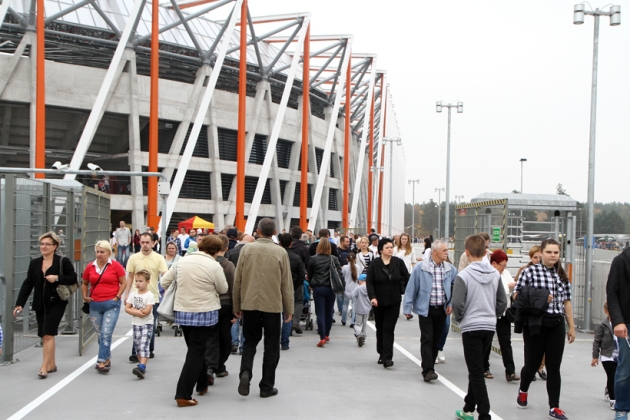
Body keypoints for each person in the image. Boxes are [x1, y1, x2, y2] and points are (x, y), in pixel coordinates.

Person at [161, 235, 228, 406]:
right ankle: (183, 393)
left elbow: (164, 281)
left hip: (183, 310)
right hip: (204, 311)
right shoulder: (214, 265)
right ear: (216, 250)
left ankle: (202, 383)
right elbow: (223, 288)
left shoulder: (182, 261)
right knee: (196, 352)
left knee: (194, 349)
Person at [513, 239, 575, 420]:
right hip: (535, 323)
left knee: (554, 366)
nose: (553, 256)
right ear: (542, 252)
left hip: (556, 322)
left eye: (556, 252)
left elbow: (567, 302)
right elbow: (516, 295)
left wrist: (571, 326)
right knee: (532, 364)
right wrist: (539, 296)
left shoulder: (562, 275)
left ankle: (554, 406)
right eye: (549, 252)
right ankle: (523, 390)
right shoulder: (530, 272)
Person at [233, 218, 293, 398]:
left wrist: (237, 305)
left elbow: (238, 280)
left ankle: (245, 372)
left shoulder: (246, 250)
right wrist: (288, 308)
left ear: (257, 232)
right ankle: (266, 386)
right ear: (274, 232)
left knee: (250, 341)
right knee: (272, 345)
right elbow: (286, 284)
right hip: (272, 305)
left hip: (250, 303)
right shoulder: (280, 252)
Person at [452, 235, 507, 420]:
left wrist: (461, 318)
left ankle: (484, 413)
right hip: (489, 325)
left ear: (466, 253)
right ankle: (468, 407)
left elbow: (457, 303)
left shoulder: (463, 275)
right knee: (476, 367)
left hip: (471, 326)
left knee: (476, 372)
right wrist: (493, 314)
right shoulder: (494, 274)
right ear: (485, 252)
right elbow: (502, 301)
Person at [14, 232, 78, 378]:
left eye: (47, 244)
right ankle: (52, 364)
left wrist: (57, 278)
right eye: (42, 244)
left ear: (55, 246)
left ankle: (43, 367)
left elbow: (73, 277)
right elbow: (28, 283)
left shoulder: (63, 261)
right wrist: (20, 304)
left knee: (48, 334)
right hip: (40, 303)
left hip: (57, 302)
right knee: (45, 335)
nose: (43, 246)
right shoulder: (35, 263)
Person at [403, 239, 457, 382]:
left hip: (442, 309)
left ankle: (430, 364)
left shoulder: (450, 269)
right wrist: (407, 307)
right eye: (444, 250)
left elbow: (454, 288)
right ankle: (428, 370)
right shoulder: (421, 268)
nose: (447, 253)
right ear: (435, 252)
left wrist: (450, 303)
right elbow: (411, 288)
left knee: (436, 340)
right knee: (427, 338)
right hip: (426, 309)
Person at [81, 240, 126, 373]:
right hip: (95, 304)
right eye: (97, 252)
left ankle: (101, 361)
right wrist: (85, 296)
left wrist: (117, 296)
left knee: (106, 333)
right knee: (100, 334)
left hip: (111, 304)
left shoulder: (116, 266)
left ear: (108, 253)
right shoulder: (90, 266)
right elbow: (84, 283)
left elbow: (123, 282)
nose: (99, 254)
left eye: (102, 252)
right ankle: (107, 358)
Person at [367, 238, 410, 368]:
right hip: (378, 302)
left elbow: (407, 278)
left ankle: (387, 357)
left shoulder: (398, 262)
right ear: (381, 250)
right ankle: (381, 351)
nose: (390, 249)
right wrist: (372, 297)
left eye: (391, 247)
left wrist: (408, 294)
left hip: (394, 301)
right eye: (387, 247)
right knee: (380, 328)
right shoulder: (375, 264)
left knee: (388, 329)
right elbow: (370, 282)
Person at [125, 232, 168, 363]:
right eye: (142, 242)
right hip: (136, 295)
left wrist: (165, 292)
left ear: (153, 243)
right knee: (137, 322)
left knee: (150, 323)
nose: (144, 245)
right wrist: (127, 294)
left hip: (153, 296)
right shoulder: (134, 258)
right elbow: (130, 276)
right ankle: (136, 351)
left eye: (147, 242)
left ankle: (149, 349)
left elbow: (165, 275)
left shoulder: (159, 258)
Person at [484, 249, 519, 381]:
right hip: (491, 313)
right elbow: (502, 289)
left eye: (505, 265)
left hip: (504, 314)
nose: (504, 268)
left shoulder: (505, 273)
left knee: (505, 342)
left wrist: (509, 286)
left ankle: (510, 371)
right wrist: (508, 286)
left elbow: (512, 286)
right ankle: (484, 367)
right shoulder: (489, 273)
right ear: (494, 263)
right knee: (487, 342)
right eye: (502, 265)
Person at [205, 234, 236, 382]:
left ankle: (209, 366)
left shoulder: (206, 263)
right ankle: (220, 365)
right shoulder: (228, 265)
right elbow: (234, 287)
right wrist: (236, 309)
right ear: (226, 248)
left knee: (211, 336)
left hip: (209, 303)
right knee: (225, 336)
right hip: (225, 304)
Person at [516, 245, 547, 381]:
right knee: (530, 344)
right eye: (535, 258)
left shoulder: (550, 272)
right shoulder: (525, 271)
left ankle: (540, 367)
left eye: (540, 258)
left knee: (545, 344)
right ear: (531, 258)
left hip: (545, 312)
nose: (538, 260)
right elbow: (518, 293)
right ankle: (530, 367)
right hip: (530, 312)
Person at [606, 244, 630, 420]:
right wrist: (618, 321)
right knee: (625, 368)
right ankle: (621, 409)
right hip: (627, 324)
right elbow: (612, 293)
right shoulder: (621, 261)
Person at [308, 238, 342, 348]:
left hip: (318, 288)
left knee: (320, 312)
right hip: (331, 288)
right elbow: (339, 274)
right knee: (329, 312)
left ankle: (322, 337)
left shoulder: (313, 259)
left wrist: (311, 284)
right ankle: (327, 334)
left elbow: (310, 274)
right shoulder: (334, 259)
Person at [226, 234, 255, 353]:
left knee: (235, 316)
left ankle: (234, 342)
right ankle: (244, 345)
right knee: (247, 319)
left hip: (233, 288)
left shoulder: (231, 252)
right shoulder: (252, 254)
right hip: (249, 288)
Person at [278, 233, 306, 351]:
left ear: (279, 243)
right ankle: (285, 341)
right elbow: (301, 275)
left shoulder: (277, 256)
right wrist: (295, 286)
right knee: (288, 312)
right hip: (292, 287)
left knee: (276, 314)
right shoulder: (295, 257)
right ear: (291, 243)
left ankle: (275, 340)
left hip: (276, 288)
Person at [125, 269, 155, 379]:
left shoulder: (149, 295)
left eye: (140, 281)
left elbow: (146, 312)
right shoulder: (133, 294)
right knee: (137, 346)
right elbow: (127, 308)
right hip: (136, 323)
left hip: (146, 324)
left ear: (147, 282)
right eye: (136, 281)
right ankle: (140, 364)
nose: (138, 283)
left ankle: (142, 366)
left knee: (144, 345)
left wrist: (134, 310)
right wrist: (136, 311)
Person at [591, 302, 619, 411]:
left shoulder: (623, 324)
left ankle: (609, 389)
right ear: (606, 311)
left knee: (617, 376)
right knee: (612, 376)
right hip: (607, 355)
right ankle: (613, 400)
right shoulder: (602, 325)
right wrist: (595, 357)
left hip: (619, 354)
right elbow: (596, 341)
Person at [290, 226, 310, 335]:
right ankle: (296, 321)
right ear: (300, 235)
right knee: (298, 300)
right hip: (299, 277)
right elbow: (308, 264)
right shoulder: (303, 248)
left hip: (285, 277)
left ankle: (286, 321)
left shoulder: (285, 246)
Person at [345, 273, 371, 346]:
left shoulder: (358, 288)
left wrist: (344, 292)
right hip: (367, 310)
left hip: (359, 309)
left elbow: (351, 296)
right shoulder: (370, 289)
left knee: (357, 324)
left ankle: (358, 334)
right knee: (364, 324)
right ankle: (363, 337)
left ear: (361, 281)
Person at [342, 252, 362, 328]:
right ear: (355, 259)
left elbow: (342, 277)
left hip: (347, 288)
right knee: (354, 306)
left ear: (347, 259)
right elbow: (359, 277)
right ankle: (353, 321)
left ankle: (344, 320)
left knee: (345, 305)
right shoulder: (358, 267)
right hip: (355, 288)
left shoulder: (344, 267)